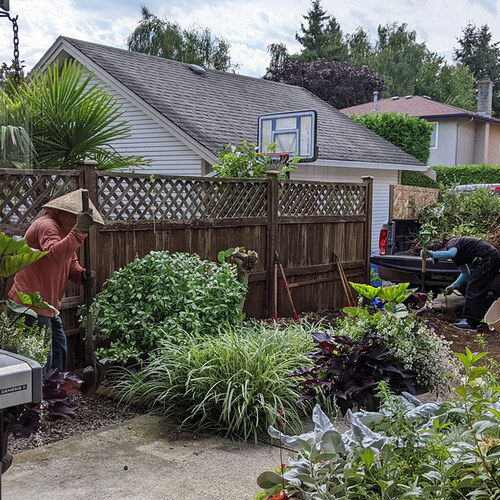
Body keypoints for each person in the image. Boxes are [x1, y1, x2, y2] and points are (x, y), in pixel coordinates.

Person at [8, 189, 104, 371]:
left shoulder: (65, 232)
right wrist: (78, 232)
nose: (78, 221)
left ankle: (56, 395)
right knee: (42, 359)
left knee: (59, 351)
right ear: (59, 211)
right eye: (75, 217)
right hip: (29, 305)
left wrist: (82, 275)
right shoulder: (47, 225)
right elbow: (55, 254)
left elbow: (70, 263)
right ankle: (41, 398)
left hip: (49, 307)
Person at [423, 237, 500, 331]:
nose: (442, 259)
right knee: (477, 288)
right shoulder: (457, 258)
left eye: (439, 257)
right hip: (487, 260)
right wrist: (454, 285)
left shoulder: (452, 243)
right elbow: (465, 272)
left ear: (439, 250)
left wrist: (431, 254)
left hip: (488, 258)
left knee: (474, 288)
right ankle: (474, 320)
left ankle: (470, 323)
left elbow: (451, 253)